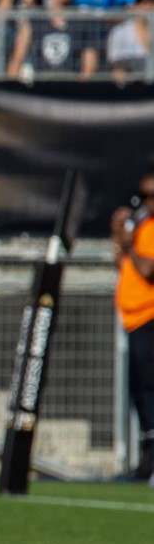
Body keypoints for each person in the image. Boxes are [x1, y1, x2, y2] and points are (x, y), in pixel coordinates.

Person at [111, 172, 154, 484]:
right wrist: (119, 240)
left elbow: (148, 269)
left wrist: (128, 245)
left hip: (150, 319)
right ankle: (146, 459)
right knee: (139, 392)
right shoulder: (140, 229)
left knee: (149, 391)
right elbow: (125, 268)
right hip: (134, 320)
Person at [5, 0, 102, 80]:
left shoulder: (85, 21)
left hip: (72, 87)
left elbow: (90, 67)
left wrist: (78, 93)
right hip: (40, 88)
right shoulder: (35, 20)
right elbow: (17, 58)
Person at [107, 0, 154, 81]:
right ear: (135, 5)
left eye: (152, 2)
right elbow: (118, 72)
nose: (147, 7)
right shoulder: (120, 32)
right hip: (132, 91)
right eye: (143, 2)